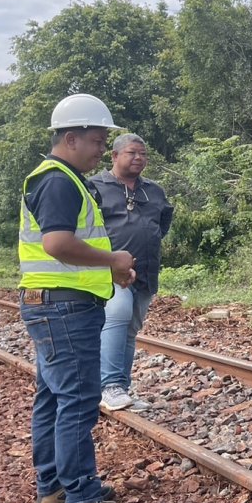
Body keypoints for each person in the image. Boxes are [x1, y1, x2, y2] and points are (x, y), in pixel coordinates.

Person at [19, 94, 135, 503]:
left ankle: (53, 490)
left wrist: (111, 272)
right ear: (71, 137)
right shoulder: (58, 181)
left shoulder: (61, 178)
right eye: (97, 141)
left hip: (56, 304)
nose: (102, 150)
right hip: (63, 309)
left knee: (53, 397)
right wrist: (113, 261)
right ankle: (82, 502)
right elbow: (57, 244)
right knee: (78, 401)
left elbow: (65, 248)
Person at [88, 134, 174, 411]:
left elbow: (163, 222)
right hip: (111, 272)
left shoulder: (154, 190)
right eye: (132, 153)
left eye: (143, 154)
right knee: (117, 316)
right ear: (114, 156)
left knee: (130, 330)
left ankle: (119, 389)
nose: (139, 158)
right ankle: (109, 384)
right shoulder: (95, 187)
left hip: (146, 271)